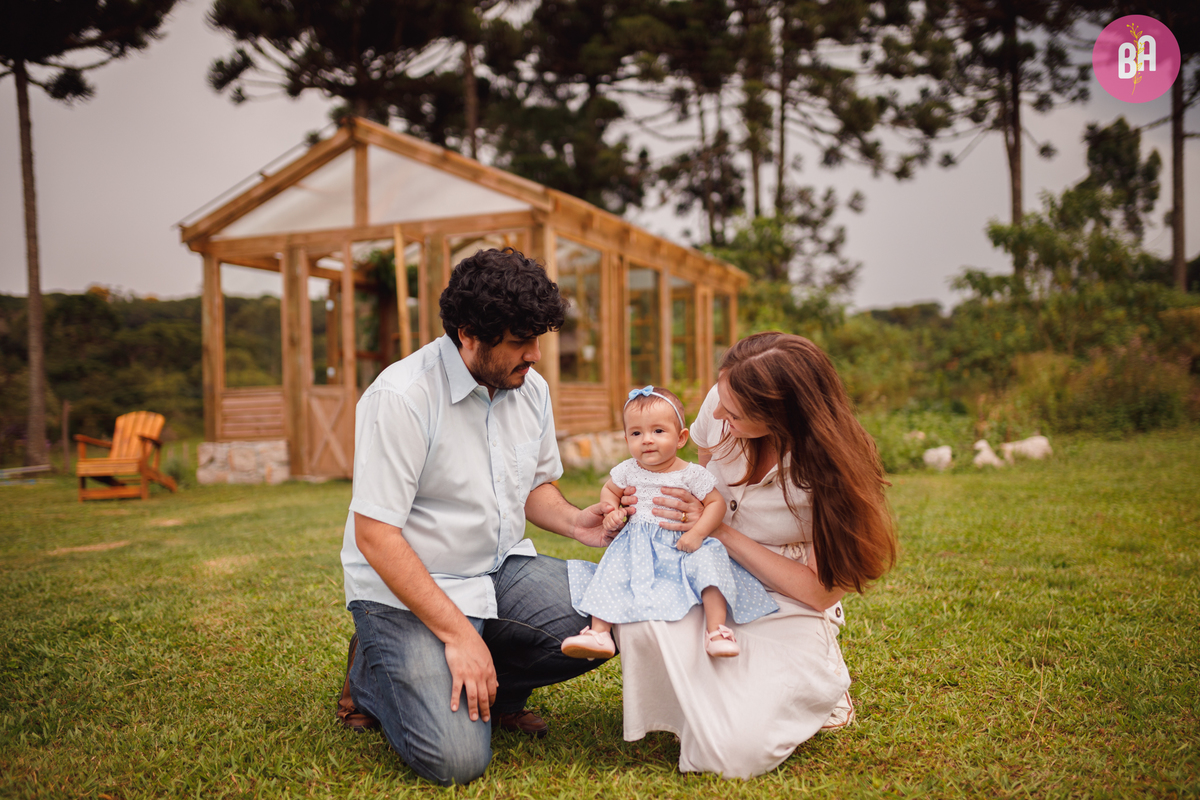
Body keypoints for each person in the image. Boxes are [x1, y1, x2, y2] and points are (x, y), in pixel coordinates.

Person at [336, 248, 620, 786]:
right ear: (468, 334)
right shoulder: (402, 396)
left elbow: (532, 485)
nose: (535, 354)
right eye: (519, 340)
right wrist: (458, 636)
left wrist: (576, 521)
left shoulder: (529, 387)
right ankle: (372, 676)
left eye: (538, 338)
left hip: (498, 572)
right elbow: (375, 536)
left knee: (614, 612)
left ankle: (494, 689)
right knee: (457, 760)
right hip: (409, 590)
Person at [614, 332, 898, 779]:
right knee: (640, 620)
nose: (718, 414)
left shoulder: (833, 473)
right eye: (721, 398)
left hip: (786, 596)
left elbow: (820, 592)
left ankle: (819, 681)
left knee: (734, 753)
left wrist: (719, 529)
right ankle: (726, 694)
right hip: (710, 573)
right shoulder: (722, 403)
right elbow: (697, 476)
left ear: (781, 416)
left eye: (735, 413)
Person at [560, 386, 778, 661]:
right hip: (638, 544)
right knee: (612, 571)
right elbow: (610, 490)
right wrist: (611, 510)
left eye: (658, 431)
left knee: (709, 564)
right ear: (626, 439)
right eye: (636, 433)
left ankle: (717, 631)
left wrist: (698, 533)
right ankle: (599, 632)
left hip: (684, 541)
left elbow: (716, 504)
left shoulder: (691, 474)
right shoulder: (628, 470)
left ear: (681, 438)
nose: (647, 440)